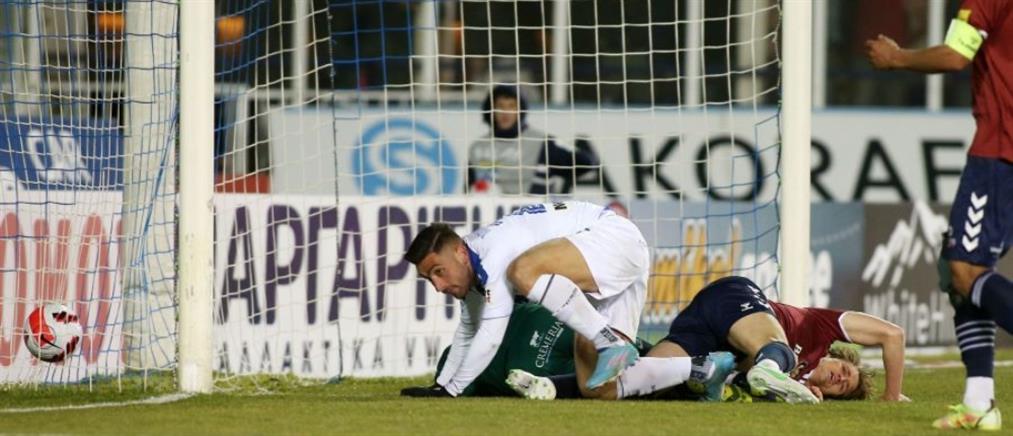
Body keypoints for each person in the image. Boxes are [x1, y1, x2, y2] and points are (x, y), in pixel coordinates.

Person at [398, 201, 729, 399]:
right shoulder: (474, 271)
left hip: (613, 238)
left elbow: (490, 336)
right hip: (609, 266)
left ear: (459, 252)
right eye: (430, 279)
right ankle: (705, 369)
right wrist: (441, 386)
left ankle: (609, 341)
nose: (438, 286)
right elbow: (468, 331)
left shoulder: (494, 252)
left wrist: (454, 390)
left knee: (522, 271)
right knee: (597, 388)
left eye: (439, 272)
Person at [867, 1, 1011, 430]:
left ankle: (979, 403)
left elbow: (955, 55)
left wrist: (896, 58)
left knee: (964, 270)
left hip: (999, 154)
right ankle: (978, 401)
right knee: (961, 273)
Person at [510, 276, 907, 403]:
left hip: (702, 336)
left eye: (842, 387)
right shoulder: (823, 328)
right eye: (845, 370)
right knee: (775, 348)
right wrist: (892, 395)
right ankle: (769, 367)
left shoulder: (797, 393)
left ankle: (550, 387)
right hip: (733, 301)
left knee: (635, 383)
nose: (840, 378)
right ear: (841, 354)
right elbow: (893, 334)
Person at [467, 85, 598, 195]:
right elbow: (468, 189)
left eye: (512, 106)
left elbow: (587, 162)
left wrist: (547, 174)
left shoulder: (541, 142)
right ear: (491, 110)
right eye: (500, 106)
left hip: (533, 214)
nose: (505, 112)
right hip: (491, 214)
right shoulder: (478, 147)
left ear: (520, 110)